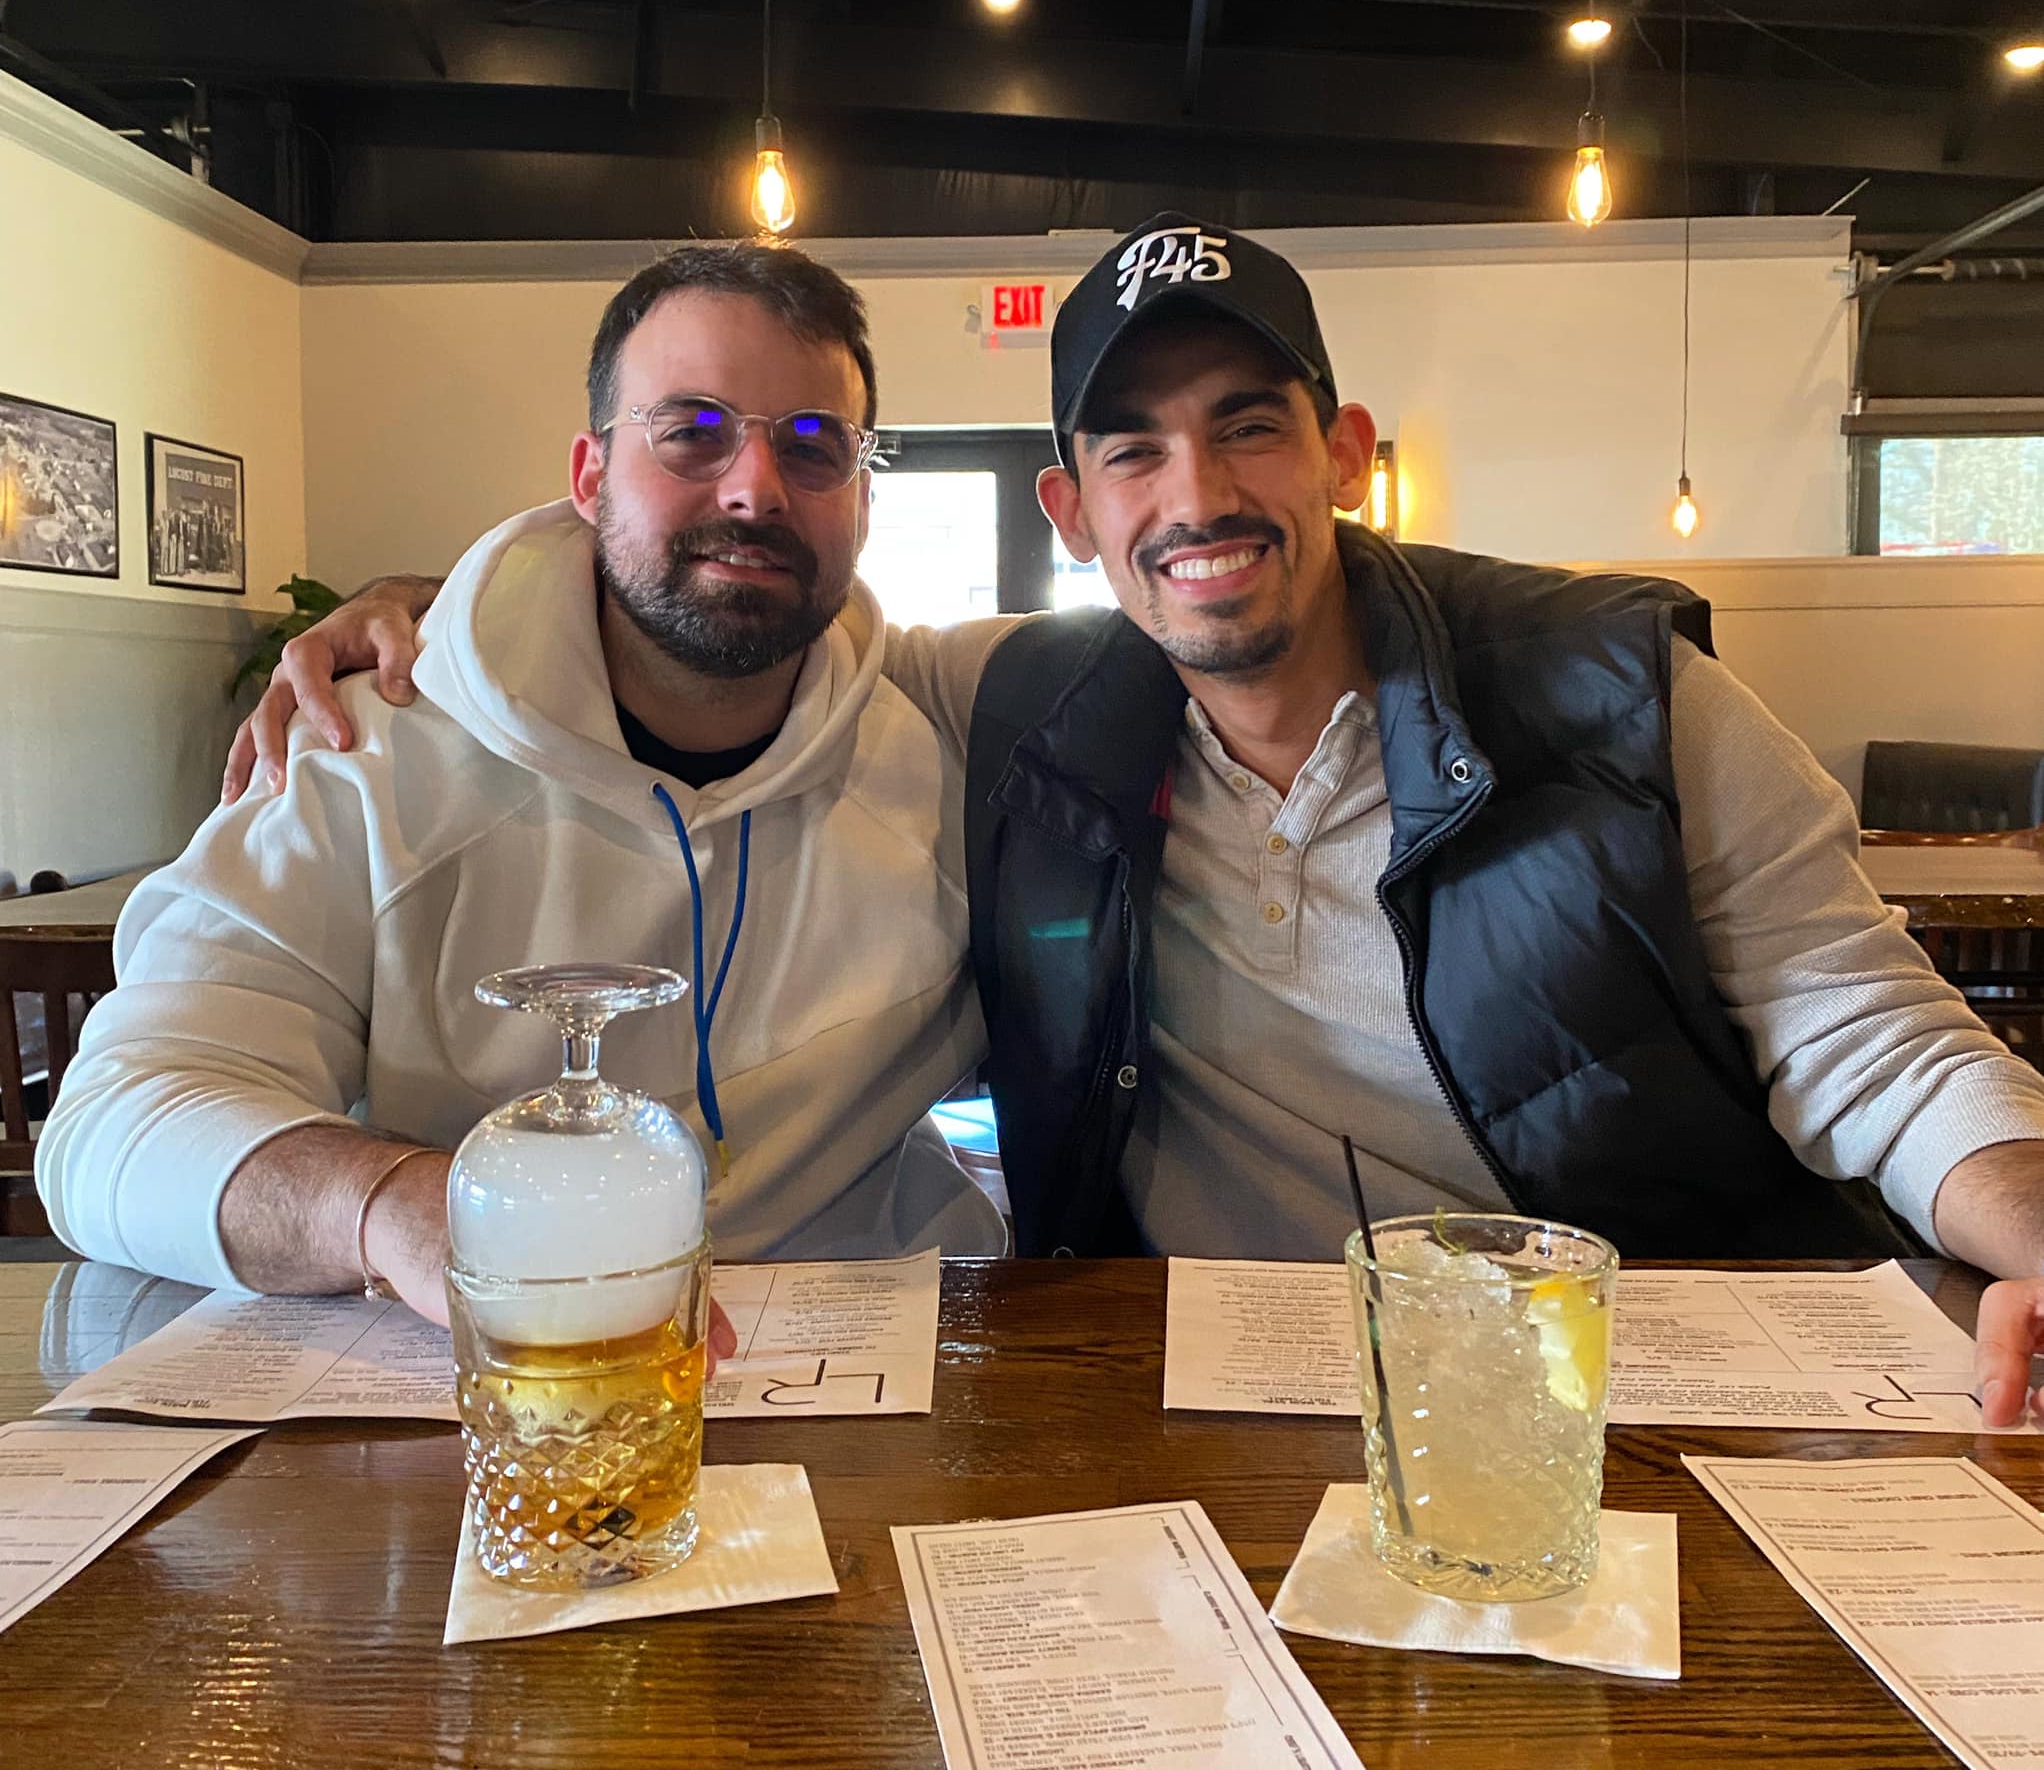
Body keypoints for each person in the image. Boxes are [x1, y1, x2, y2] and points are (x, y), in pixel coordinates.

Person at [220, 217, 2044, 1426]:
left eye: (1248, 427)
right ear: (1071, 511)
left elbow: (1868, 1037)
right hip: (1194, 1391)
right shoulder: (1018, 702)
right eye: (1132, 451)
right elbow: (710, 615)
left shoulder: (1619, 694)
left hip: (1621, 1372)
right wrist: (441, 616)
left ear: (1342, 452)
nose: (1198, 496)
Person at [38, 243, 1006, 1330]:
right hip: (486, 1370)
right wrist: (390, 1205)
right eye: (691, 430)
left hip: (885, 1354)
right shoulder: (370, 748)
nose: (754, 487)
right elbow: (119, 1117)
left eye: (814, 445)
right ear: (590, 477)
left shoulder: (960, 749)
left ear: (863, 499)